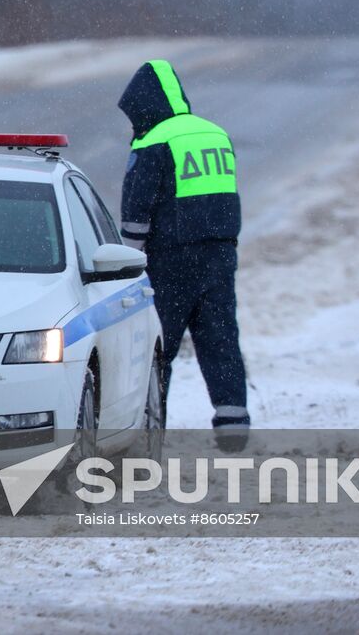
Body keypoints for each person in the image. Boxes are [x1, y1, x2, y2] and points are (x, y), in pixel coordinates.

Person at [117, 59, 248, 452]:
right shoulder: (215, 133)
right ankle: (233, 423)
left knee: (160, 347)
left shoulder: (154, 140)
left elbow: (137, 211)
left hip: (172, 259)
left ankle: (149, 434)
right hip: (221, 254)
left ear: (145, 105)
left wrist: (129, 263)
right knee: (220, 339)